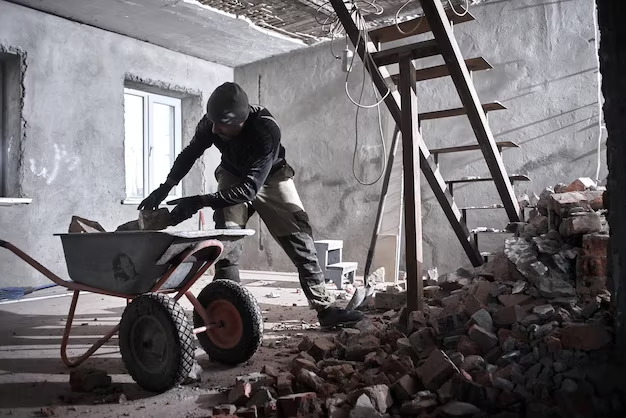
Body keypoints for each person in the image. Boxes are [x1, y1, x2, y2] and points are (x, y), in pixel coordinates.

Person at [139, 82, 363, 329]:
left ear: (239, 122)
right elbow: (190, 154)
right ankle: (231, 309)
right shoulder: (211, 124)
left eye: (221, 125)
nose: (215, 129)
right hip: (233, 173)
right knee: (227, 238)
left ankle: (325, 308)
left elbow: (249, 189)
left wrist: (202, 201)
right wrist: (164, 188)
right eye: (212, 122)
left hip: (271, 177)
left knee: (300, 237)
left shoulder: (266, 130)